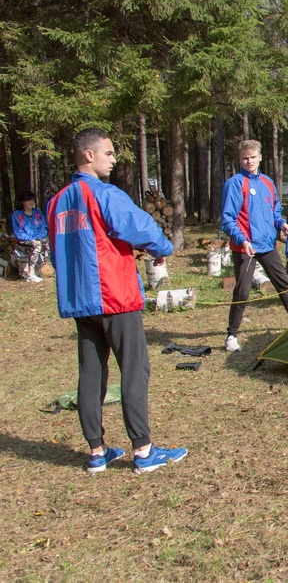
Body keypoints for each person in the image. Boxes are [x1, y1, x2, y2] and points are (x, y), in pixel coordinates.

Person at [47, 127, 187, 473]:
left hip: (80, 299)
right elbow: (140, 227)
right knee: (135, 370)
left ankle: (97, 451)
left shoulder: (55, 203)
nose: (113, 160)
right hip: (114, 295)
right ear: (88, 155)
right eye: (108, 153)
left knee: (91, 373)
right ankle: (143, 450)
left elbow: (72, 247)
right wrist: (161, 248)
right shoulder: (104, 194)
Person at [221, 139, 288, 352]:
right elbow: (228, 219)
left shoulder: (267, 182)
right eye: (245, 158)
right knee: (243, 290)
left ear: (260, 157)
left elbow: (274, 210)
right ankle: (231, 336)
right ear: (240, 159)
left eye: (252, 157)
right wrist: (242, 240)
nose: (249, 161)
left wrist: (281, 223)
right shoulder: (235, 183)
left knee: (283, 281)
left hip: (267, 244)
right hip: (245, 246)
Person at [11, 191, 49, 282]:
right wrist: (32, 239)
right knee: (37, 246)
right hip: (23, 241)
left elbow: (43, 227)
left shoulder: (37, 213)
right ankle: (31, 273)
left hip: (38, 239)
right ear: (23, 202)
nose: (31, 203)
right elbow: (18, 232)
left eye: (32, 200)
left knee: (48, 242)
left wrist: (39, 238)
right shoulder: (17, 215)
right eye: (28, 200)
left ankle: (48, 266)